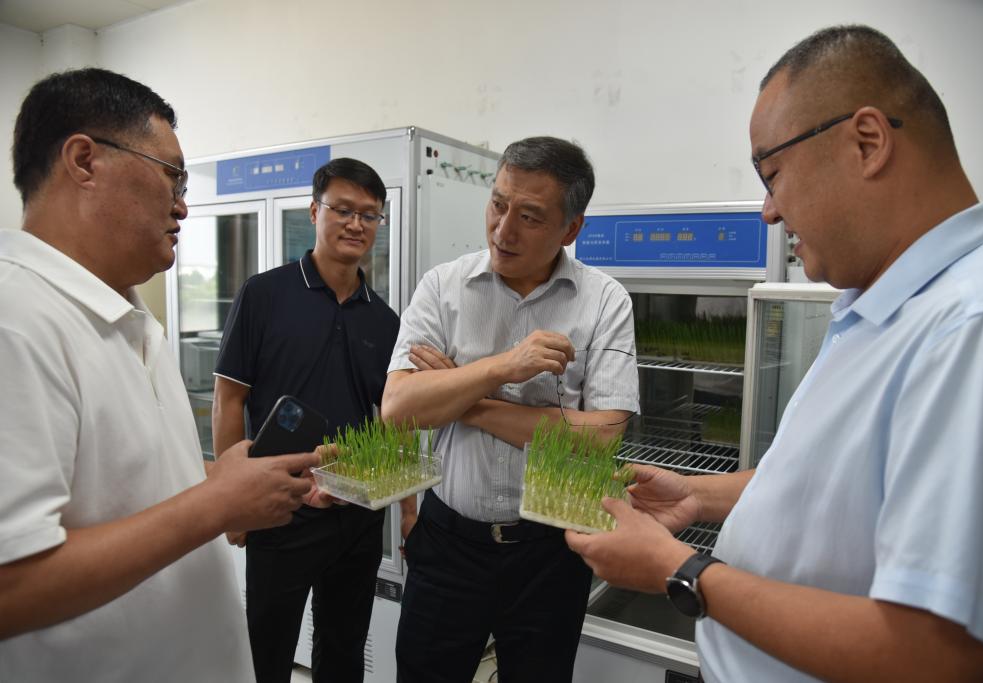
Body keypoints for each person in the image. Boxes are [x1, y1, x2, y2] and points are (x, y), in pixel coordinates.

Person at [565, 24, 983, 682]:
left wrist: (681, 569)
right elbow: (839, 487)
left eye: (772, 174)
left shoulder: (977, 326)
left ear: (868, 142)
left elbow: (932, 654)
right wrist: (698, 492)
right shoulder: (883, 305)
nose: (768, 213)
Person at [0, 68, 321, 681]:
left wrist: (229, 478)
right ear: (84, 161)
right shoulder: (16, 319)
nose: (182, 204)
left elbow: (120, 483)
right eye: (172, 175)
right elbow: (11, 585)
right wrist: (216, 502)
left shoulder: (127, 316)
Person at [380, 135, 640, 682]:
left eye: (529, 216)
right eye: (498, 204)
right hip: (448, 543)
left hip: (550, 553)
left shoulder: (605, 301)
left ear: (570, 229)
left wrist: (460, 397)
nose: (503, 231)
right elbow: (398, 408)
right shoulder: (443, 287)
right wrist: (502, 367)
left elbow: (601, 436)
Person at [213, 157, 404, 682]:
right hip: (280, 504)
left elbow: (391, 418)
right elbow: (229, 398)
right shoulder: (264, 294)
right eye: (343, 209)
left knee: (343, 651)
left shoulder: (384, 319)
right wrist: (232, 501)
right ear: (314, 211)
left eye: (369, 214)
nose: (356, 224)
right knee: (267, 649)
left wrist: (403, 506)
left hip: (356, 510)